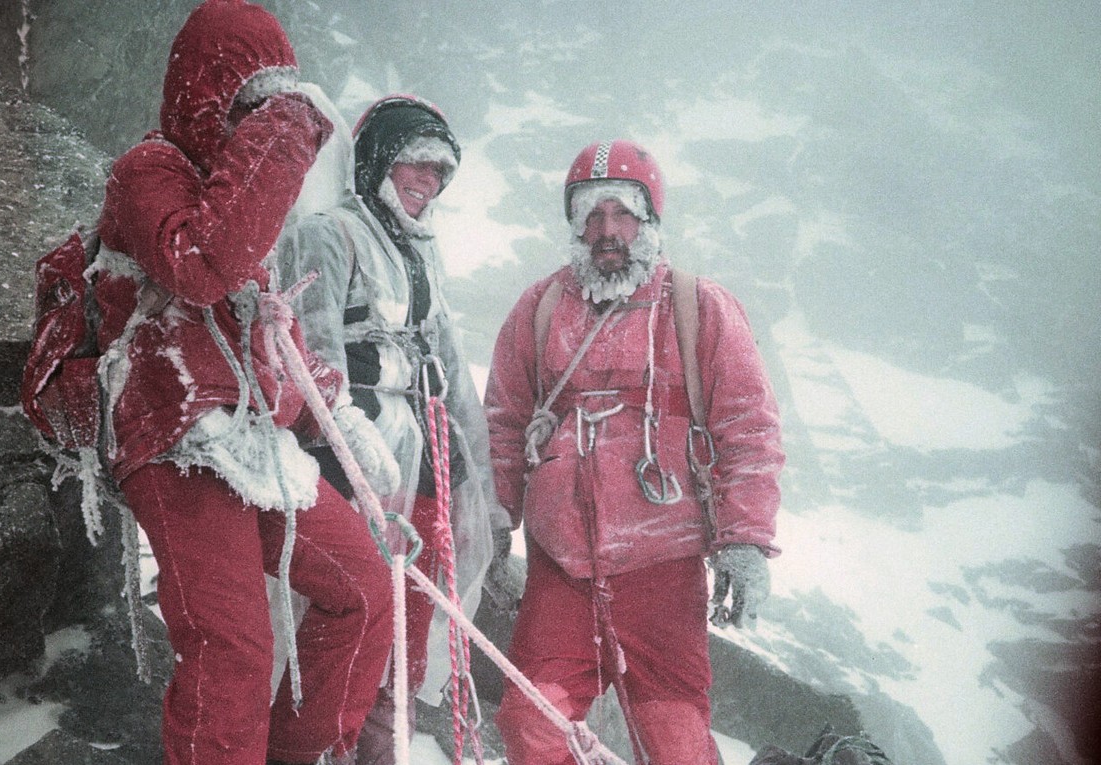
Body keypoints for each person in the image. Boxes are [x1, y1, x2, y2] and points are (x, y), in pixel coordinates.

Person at [74, 2, 402, 762]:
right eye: (251, 102)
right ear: (207, 92)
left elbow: (262, 331)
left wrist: (336, 414)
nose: (262, 122)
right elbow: (198, 266)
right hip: (171, 426)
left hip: (248, 439)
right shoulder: (148, 172)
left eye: (275, 105)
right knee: (231, 649)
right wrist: (285, 133)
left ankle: (301, 753)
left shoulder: (235, 200)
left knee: (363, 588)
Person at [484, 139, 784, 765]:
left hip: (665, 572)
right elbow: (505, 427)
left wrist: (745, 540)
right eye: (590, 217)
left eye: (621, 213)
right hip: (560, 571)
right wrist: (490, 526)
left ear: (649, 220)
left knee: (676, 747)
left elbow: (748, 428)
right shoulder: (540, 310)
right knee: (531, 729)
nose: (606, 231)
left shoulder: (699, 308)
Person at [276, 95, 506, 763]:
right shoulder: (327, 233)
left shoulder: (421, 254)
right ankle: (323, 746)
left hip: (424, 469)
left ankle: (379, 747)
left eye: (440, 174)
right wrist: (347, 444)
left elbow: (453, 373)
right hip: (355, 469)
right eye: (417, 164)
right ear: (378, 158)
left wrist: (479, 489)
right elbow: (309, 357)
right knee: (353, 619)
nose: (428, 184)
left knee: (405, 628)